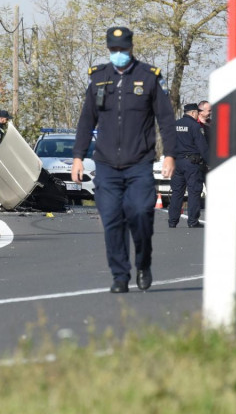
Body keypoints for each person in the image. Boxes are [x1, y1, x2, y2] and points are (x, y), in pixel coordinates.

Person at [71, 26, 176, 294]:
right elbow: (86, 121)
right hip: (106, 165)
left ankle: (143, 263)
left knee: (140, 213)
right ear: (109, 49)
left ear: (131, 48)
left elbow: (165, 119)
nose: (118, 54)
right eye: (113, 49)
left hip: (139, 163)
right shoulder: (98, 78)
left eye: (123, 49)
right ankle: (120, 275)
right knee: (112, 219)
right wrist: (78, 157)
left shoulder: (149, 77)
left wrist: (170, 155)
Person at [168, 103, 208, 228]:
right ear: (192, 113)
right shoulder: (195, 126)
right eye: (197, 112)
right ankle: (192, 221)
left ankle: (172, 221)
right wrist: (210, 162)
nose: (198, 114)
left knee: (177, 192)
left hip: (177, 163)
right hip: (192, 164)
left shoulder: (174, 125)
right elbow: (202, 147)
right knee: (194, 192)